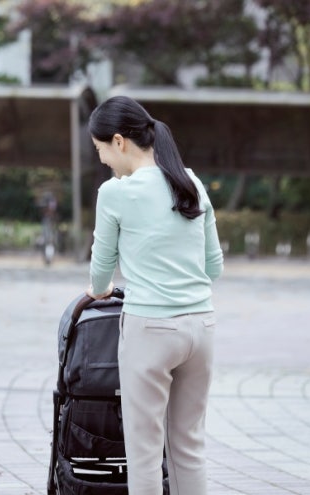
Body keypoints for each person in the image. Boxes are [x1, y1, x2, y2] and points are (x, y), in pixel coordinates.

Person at [85, 96, 224, 495]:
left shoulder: (115, 193)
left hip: (150, 330)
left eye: (100, 150)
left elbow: (101, 270)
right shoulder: (190, 182)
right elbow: (214, 267)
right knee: (189, 448)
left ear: (118, 141)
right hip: (201, 328)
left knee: (145, 453)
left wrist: (100, 290)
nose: (102, 160)